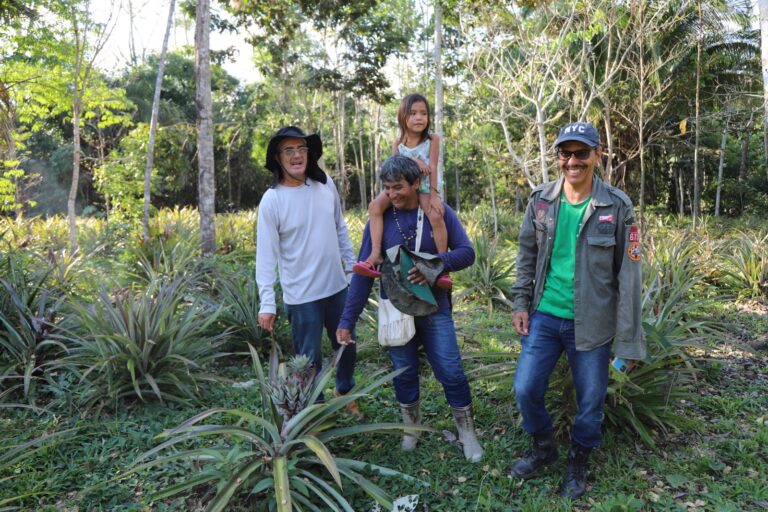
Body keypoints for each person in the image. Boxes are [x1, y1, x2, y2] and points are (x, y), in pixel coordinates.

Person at [510, 121, 646, 498]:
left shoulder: (616, 206)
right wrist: (521, 303)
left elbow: (629, 276)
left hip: (593, 323)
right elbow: (526, 256)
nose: (573, 161)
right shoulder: (541, 200)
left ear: (597, 156)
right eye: (565, 153)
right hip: (546, 316)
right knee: (525, 389)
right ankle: (544, 447)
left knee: (590, 402)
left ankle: (578, 460)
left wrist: (629, 343)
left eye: (581, 153)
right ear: (558, 158)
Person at [336, 155, 484, 463]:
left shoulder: (436, 212)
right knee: (403, 372)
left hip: (434, 307)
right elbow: (365, 270)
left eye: (399, 187)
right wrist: (347, 320)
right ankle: (411, 428)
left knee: (451, 370)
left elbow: (466, 252)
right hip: (395, 310)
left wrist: (433, 266)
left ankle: (467, 432)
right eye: (387, 188)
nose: (392, 195)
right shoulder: (379, 221)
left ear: (416, 184)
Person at [256, 125, 359, 415]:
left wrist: (352, 270)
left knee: (347, 345)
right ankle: (314, 409)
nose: (297, 155)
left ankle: (344, 389)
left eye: (301, 149)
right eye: (289, 150)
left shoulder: (325, 184)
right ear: (278, 158)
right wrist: (267, 302)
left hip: (337, 286)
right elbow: (266, 256)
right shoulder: (272, 200)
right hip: (301, 295)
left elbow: (340, 228)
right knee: (308, 359)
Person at [352, 94, 452, 290]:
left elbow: (433, 166)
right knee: (374, 206)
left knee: (436, 216)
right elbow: (395, 168)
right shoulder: (397, 143)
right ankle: (375, 254)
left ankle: (442, 265)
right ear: (403, 117)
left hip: (424, 186)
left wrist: (433, 195)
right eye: (413, 113)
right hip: (400, 187)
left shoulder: (432, 139)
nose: (419, 118)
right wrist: (415, 162)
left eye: (423, 113)